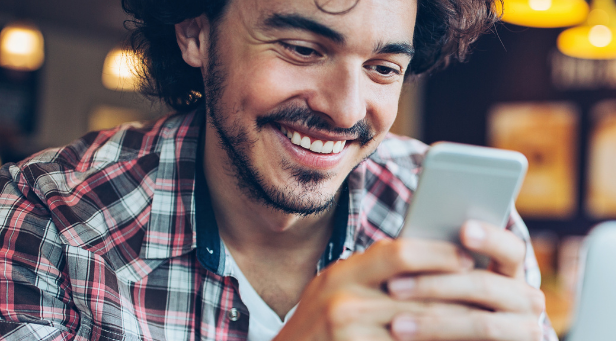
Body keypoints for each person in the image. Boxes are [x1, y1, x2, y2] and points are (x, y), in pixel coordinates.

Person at [0, 0, 555, 340]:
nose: (345, 110)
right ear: (195, 32)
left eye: (383, 67)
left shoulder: (474, 228)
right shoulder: (46, 221)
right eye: (302, 49)